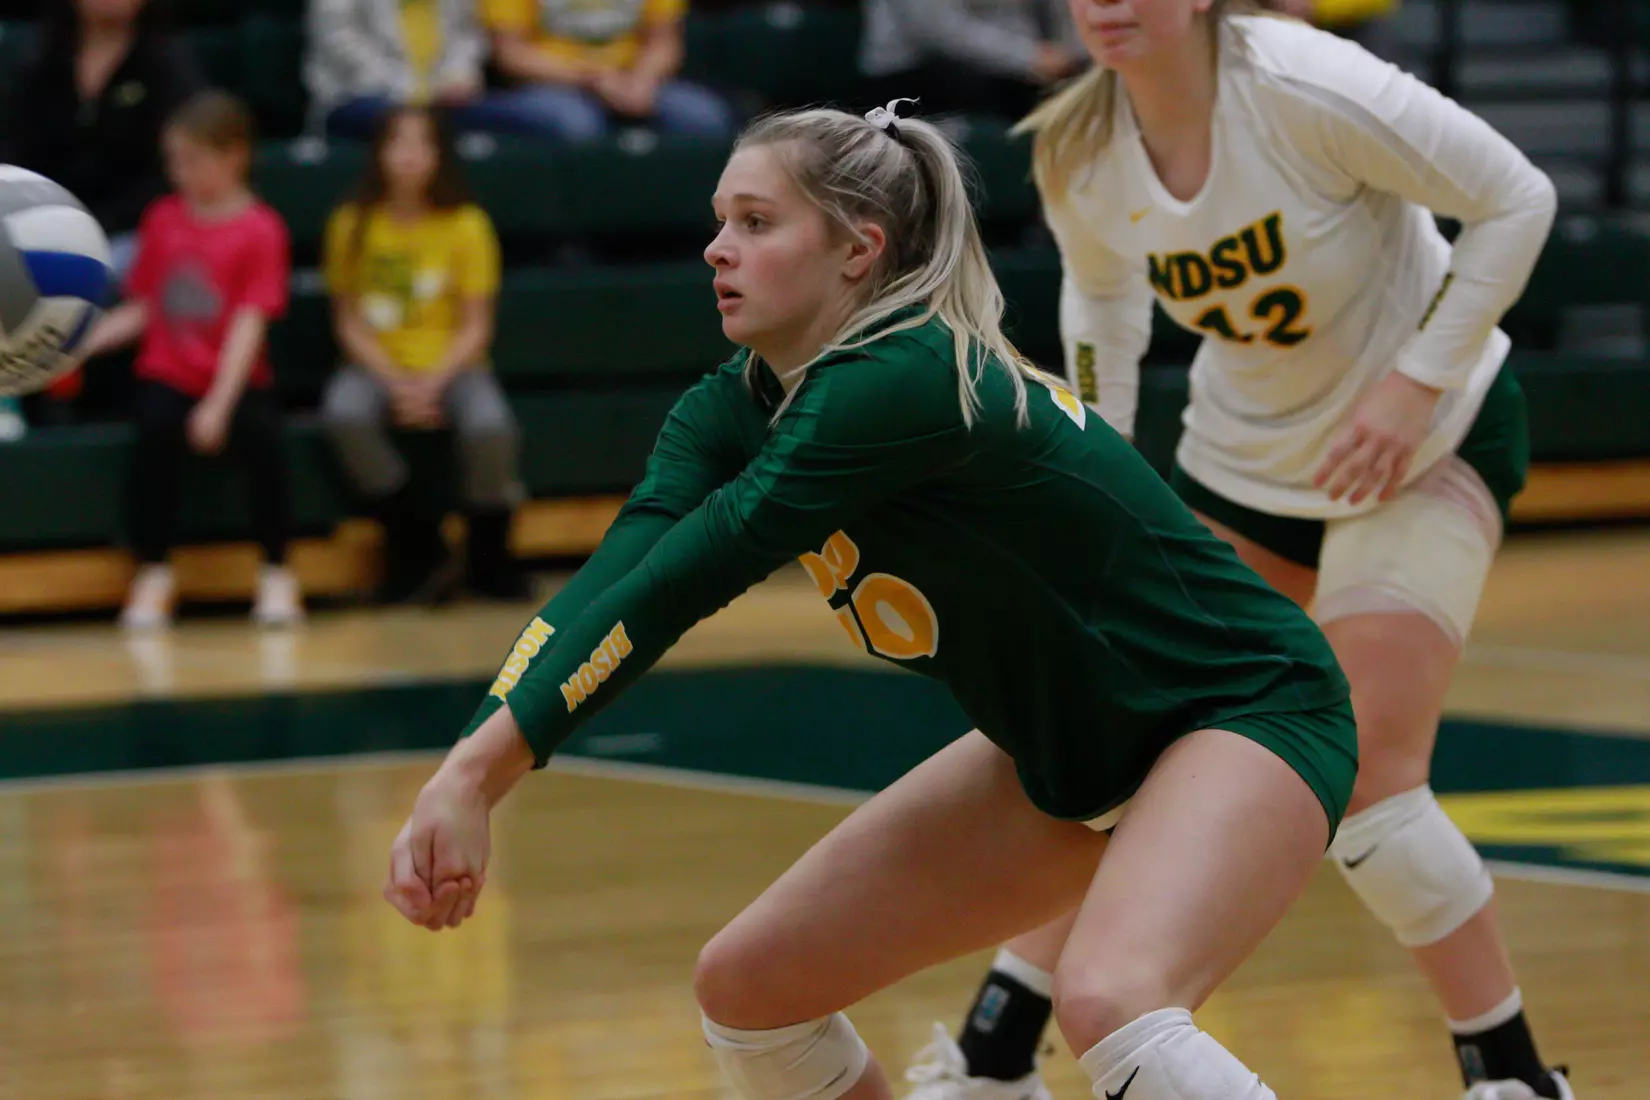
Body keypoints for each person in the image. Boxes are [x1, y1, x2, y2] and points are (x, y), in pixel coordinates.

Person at [382, 100, 1363, 1100]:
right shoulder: (733, 407)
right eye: (720, 221)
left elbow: (684, 581)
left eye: (757, 222)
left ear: (859, 250)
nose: (718, 249)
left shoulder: (902, 375)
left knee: (1111, 1000)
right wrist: (466, 769)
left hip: (1241, 708)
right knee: (752, 988)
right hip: (1066, 746)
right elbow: (612, 584)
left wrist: (484, 777)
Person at [899, 4, 1568, 1100]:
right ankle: (993, 1057)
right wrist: (1099, 492)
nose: (1107, 4)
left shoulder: (1308, 85)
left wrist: (1416, 381)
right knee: (1137, 743)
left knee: (1370, 778)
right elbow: (1104, 313)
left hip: (1427, 440)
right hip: (1246, 460)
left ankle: (1514, 1076)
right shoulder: (1078, 144)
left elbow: (1518, 198)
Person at [82, 90, 301, 631]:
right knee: (153, 436)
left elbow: (250, 322)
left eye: (192, 160)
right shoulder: (162, 219)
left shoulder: (261, 229)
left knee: (265, 444)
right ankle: (153, 571)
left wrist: (219, 405)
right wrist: (80, 343)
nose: (179, 173)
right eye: (174, 161)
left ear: (235, 156)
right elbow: (143, 308)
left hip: (234, 378)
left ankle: (277, 570)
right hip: (168, 374)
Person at [320, 105, 526, 604]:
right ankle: (418, 543)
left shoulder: (467, 225)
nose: (409, 155)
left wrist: (433, 382)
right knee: (344, 413)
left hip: (455, 364)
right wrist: (394, 381)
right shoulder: (350, 224)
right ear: (379, 154)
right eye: (397, 142)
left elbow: (477, 326)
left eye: (422, 143)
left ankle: (489, 556)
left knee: (491, 426)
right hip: (375, 363)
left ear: (439, 155)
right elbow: (347, 321)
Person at [474, 0, 734, 143]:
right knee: (575, 125)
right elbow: (510, 54)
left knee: (704, 118)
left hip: (634, 76)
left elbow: (665, 41)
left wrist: (643, 80)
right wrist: (593, 78)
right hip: (555, 82)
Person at [859, 0, 1088, 121]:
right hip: (912, 72)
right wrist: (1029, 57)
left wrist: (1070, 54)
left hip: (1008, 65)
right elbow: (938, 31)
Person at [305, 0, 490, 141]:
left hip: (444, 101)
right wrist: (414, 92)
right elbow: (338, 42)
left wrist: (458, 75)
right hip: (359, 97)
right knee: (405, 126)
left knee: (507, 115)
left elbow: (467, 35)